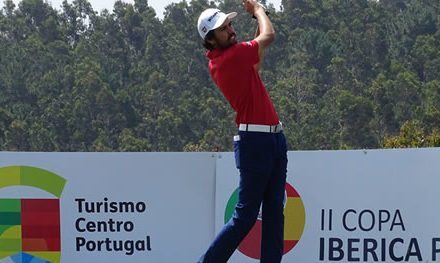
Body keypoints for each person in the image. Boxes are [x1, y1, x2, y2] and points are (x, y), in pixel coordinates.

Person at [196, 1, 288, 262]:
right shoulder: (229, 58)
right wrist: (259, 10)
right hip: (256, 141)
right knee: (245, 216)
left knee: (273, 212)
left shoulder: (230, 58)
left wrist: (260, 17)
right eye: (223, 29)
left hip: (273, 139)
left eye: (230, 25)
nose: (231, 30)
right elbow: (269, 36)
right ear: (211, 40)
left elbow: (256, 62)